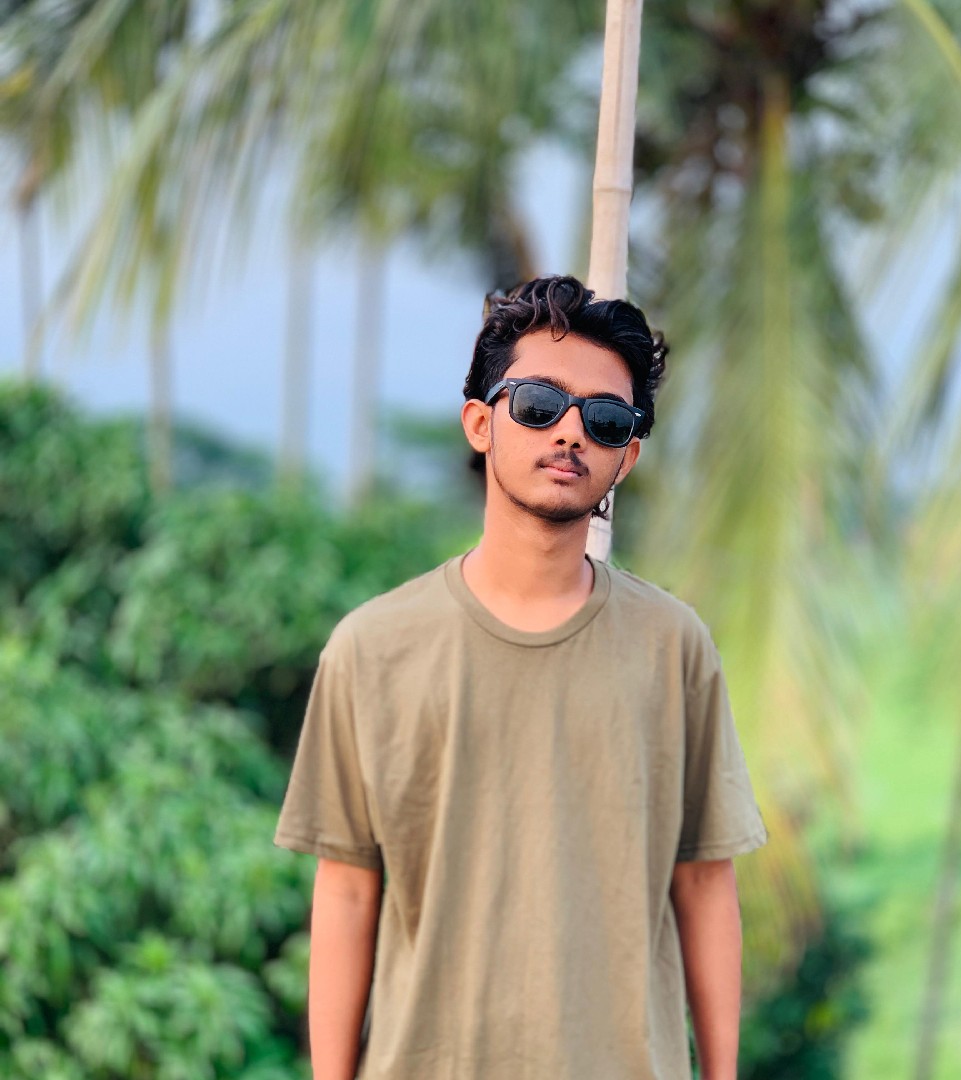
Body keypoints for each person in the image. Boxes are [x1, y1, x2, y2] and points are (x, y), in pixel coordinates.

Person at [274, 275, 768, 1080]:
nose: (571, 432)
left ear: (628, 456)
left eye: (606, 420)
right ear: (480, 423)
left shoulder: (672, 647)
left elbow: (706, 882)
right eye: (539, 405)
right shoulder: (371, 650)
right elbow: (348, 891)